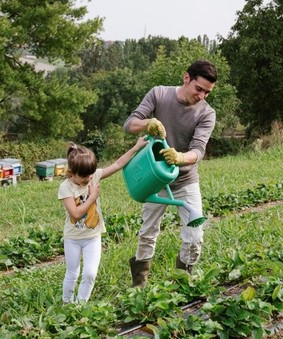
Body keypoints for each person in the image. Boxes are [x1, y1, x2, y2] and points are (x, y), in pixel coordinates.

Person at [123, 60, 218, 288]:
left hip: (185, 179)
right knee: (148, 232)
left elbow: (198, 150)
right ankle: (139, 287)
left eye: (207, 92)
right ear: (186, 78)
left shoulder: (207, 113)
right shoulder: (159, 94)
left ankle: (182, 284)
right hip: (155, 177)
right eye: (199, 89)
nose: (202, 96)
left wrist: (179, 157)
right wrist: (149, 123)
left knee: (195, 235)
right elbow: (129, 125)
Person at [58, 136, 148, 303]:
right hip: (73, 238)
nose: (89, 179)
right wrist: (92, 197)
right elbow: (76, 214)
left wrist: (136, 147)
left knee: (90, 273)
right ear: (71, 173)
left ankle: (80, 304)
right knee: (73, 273)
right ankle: (66, 302)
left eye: (91, 174)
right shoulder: (66, 187)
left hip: (93, 237)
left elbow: (118, 164)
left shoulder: (94, 176)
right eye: (84, 176)